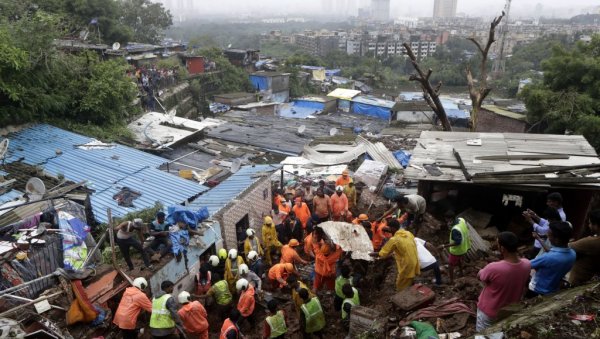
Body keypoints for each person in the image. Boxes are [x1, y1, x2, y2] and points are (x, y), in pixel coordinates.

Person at [476, 232, 531, 332]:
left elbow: (481, 277)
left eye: (498, 244)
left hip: (489, 312)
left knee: (483, 335)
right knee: (500, 332)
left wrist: (480, 271)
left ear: (502, 249)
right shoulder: (527, 264)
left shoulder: (493, 267)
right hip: (509, 310)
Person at [527, 221, 576, 297]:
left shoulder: (547, 257)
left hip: (536, 290)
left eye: (549, 235)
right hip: (553, 289)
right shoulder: (573, 254)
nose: (547, 236)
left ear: (557, 239)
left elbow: (526, 265)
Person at [372, 219, 420, 291]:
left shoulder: (394, 239)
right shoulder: (408, 233)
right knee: (409, 278)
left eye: (389, 228)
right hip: (415, 259)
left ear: (392, 228)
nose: (388, 229)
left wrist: (373, 254)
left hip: (407, 263)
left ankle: (402, 296)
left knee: (400, 283)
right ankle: (410, 288)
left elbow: (383, 253)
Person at [568, 209, 600, 286]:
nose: (589, 226)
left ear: (595, 225)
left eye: (590, 223)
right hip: (590, 280)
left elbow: (567, 246)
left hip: (579, 281)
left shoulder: (592, 242)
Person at [440, 211, 471, 284]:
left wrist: (444, 246)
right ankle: (461, 273)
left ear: (450, 219)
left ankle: (451, 281)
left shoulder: (455, 229)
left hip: (457, 250)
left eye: (446, 219)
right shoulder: (461, 220)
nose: (446, 220)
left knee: (451, 265)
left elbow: (457, 242)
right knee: (459, 260)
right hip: (465, 246)